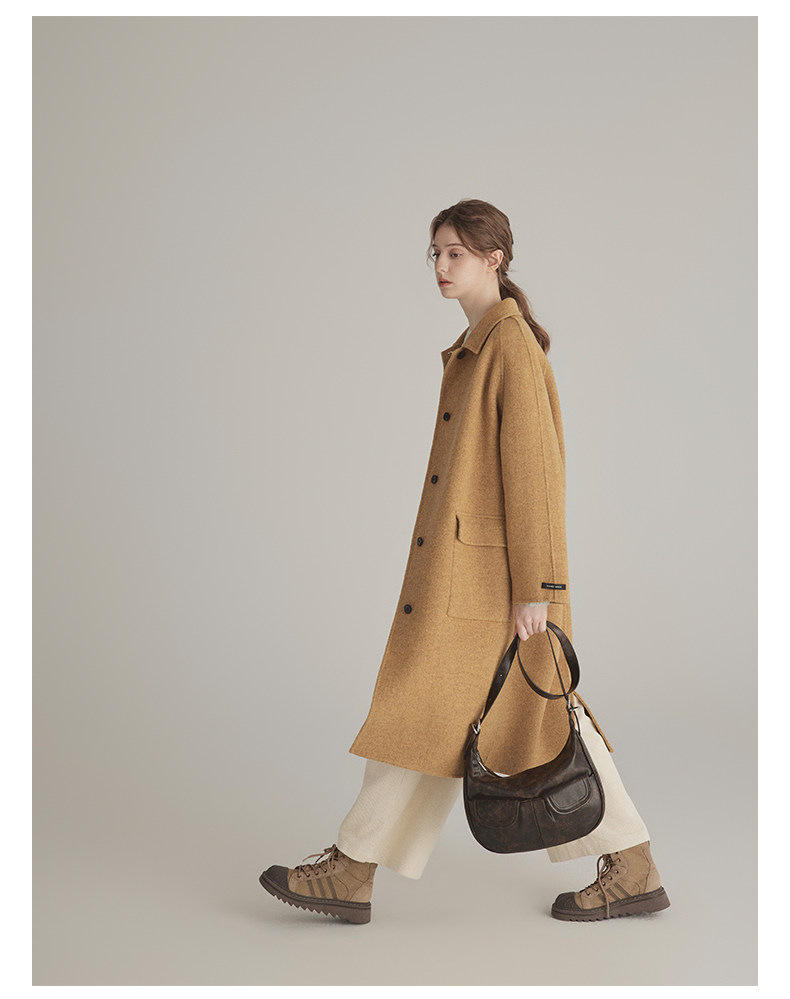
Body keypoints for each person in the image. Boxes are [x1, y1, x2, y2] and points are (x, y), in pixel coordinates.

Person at [259, 199, 670, 925]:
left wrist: (538, 587)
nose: (442, 267)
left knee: (459, 712)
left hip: (492, 586)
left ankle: (352, 870)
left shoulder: (509, 345)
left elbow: (535, 474)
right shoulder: (481, 344)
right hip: (475, 580)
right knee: (504, 717)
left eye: (456, 253)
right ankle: (630, 866)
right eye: (436, 254)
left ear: (494, 258)